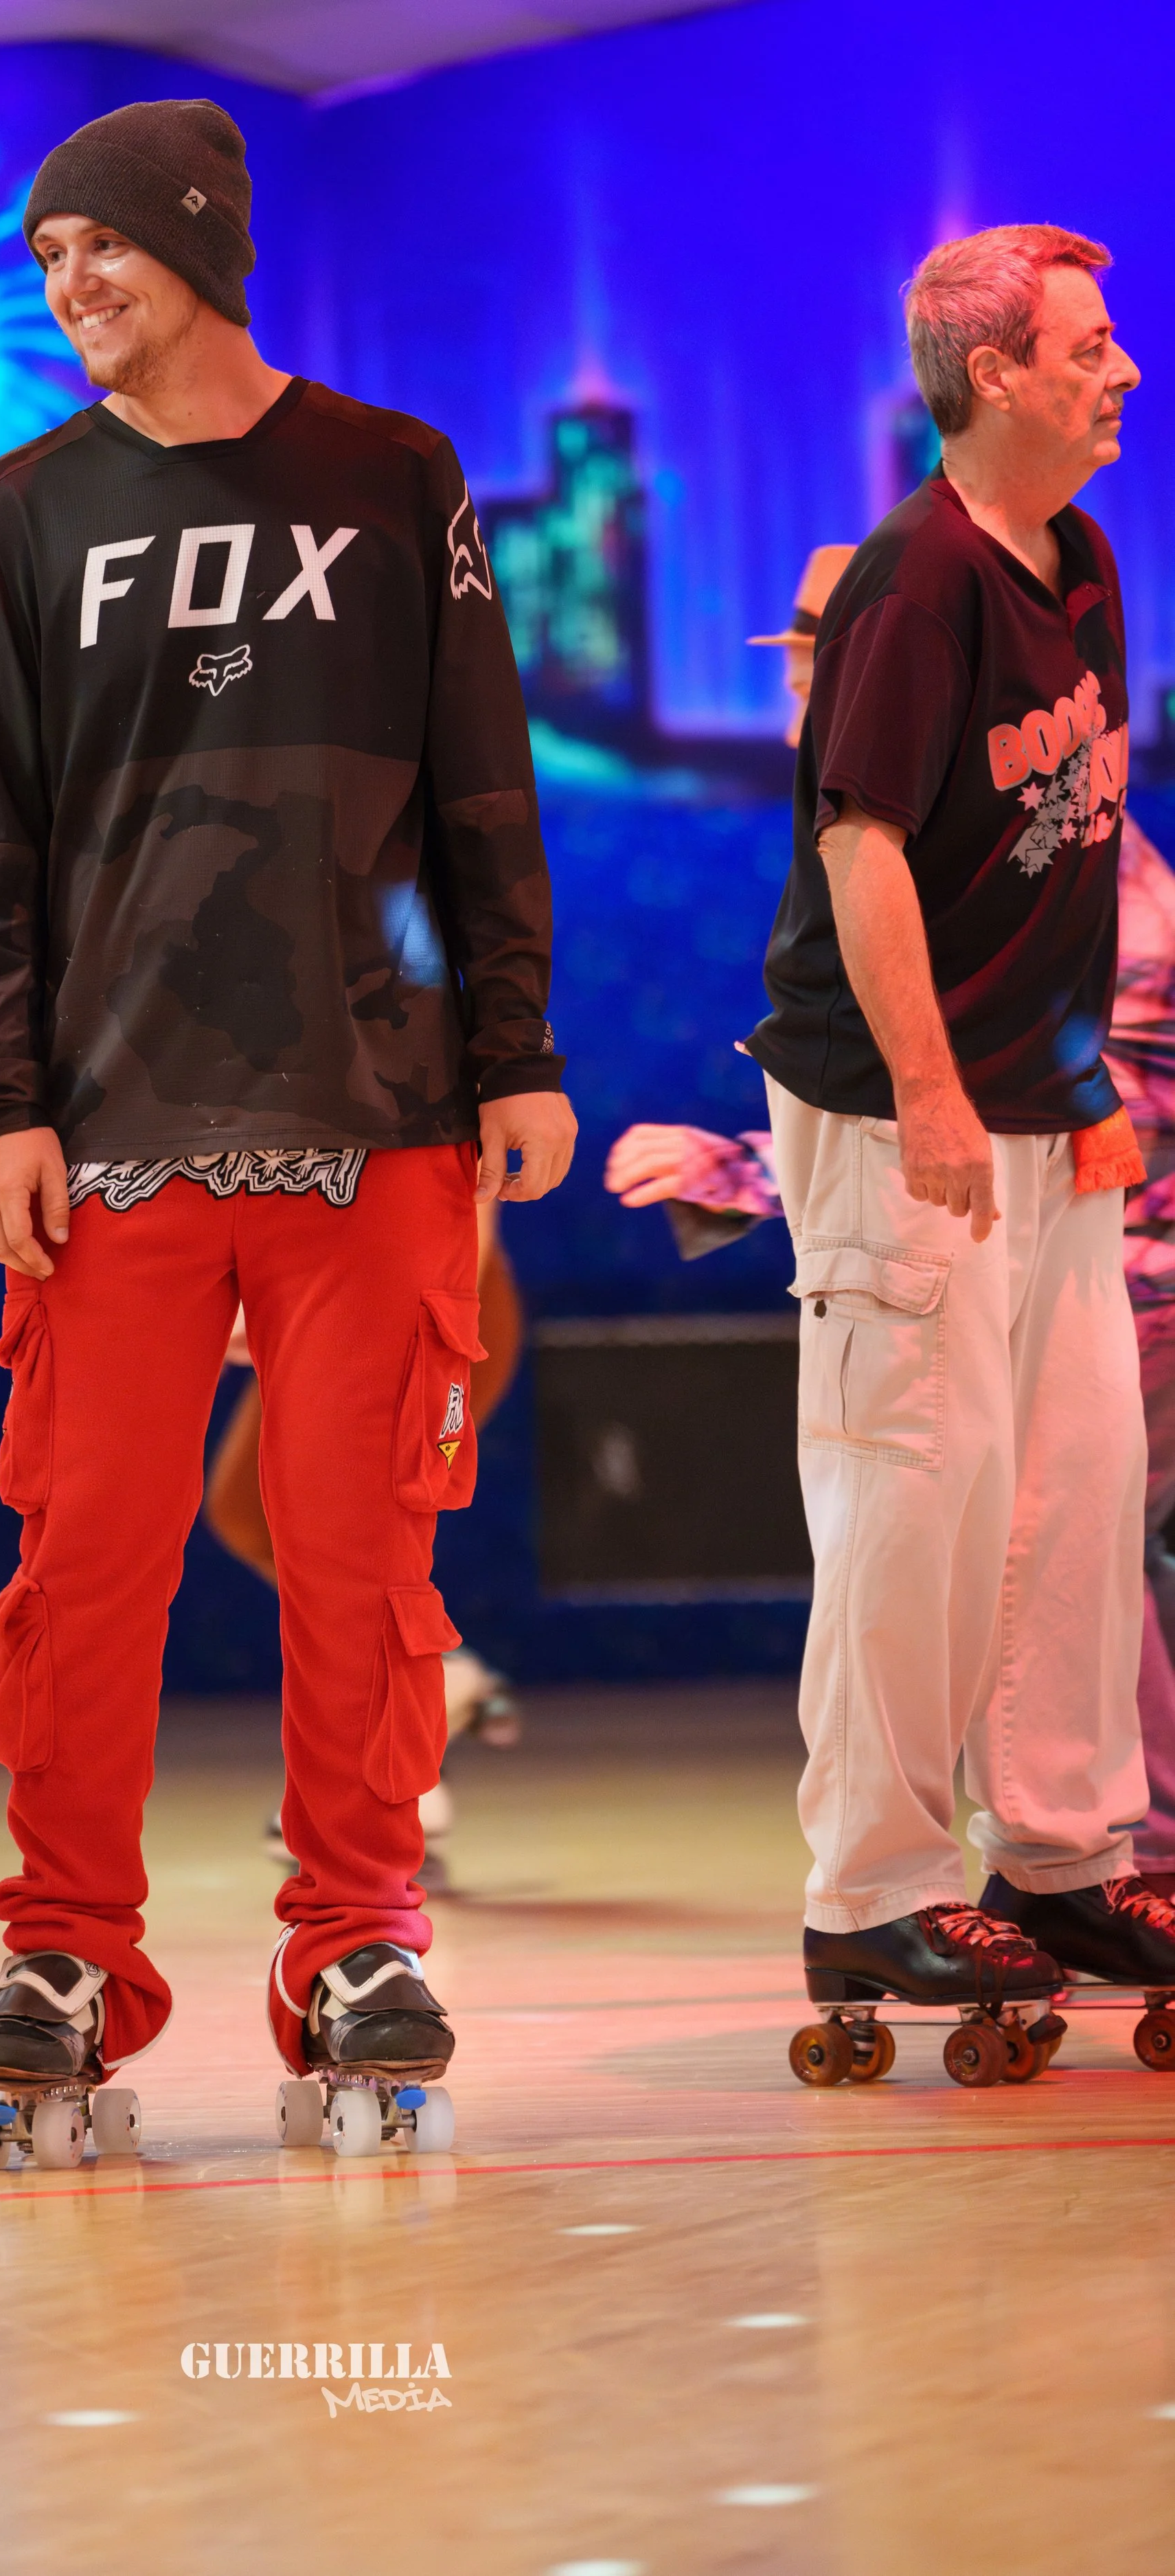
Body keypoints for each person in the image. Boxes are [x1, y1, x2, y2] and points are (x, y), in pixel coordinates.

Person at [0, 100, 575, 2119]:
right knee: (87, 1553)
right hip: (111, 1126)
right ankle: (67, 1951)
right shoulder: (14, 512)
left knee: (364, 1551)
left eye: (96, 247)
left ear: (199, 242)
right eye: (43, 263)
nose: (70, 287)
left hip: (374, 1112)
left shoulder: (394, 478)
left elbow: (479, 782)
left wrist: (517, 1046)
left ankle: (357, 1933)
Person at [735, 221, 1175, 2022]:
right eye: (1086, 346)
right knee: (912, 1495)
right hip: (889, 1101)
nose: (1120, 371)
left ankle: (1064, 1854)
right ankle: (871, 1886)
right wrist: (925, 1085)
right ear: (989, 373)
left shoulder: (1073, 553)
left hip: (1035, 1106)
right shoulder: (911, 584)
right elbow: (859, 848)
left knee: (1070, 1488)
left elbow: (1069, 838)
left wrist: (1076, 1085)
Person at [203, 1195, 525, 1892]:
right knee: (248, 1511)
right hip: (318, 1295)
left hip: (425, 1298)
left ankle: (396, 1792)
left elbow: (469, 1182)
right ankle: (435, 1684)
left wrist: (434, 1320)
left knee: (358, 1536)